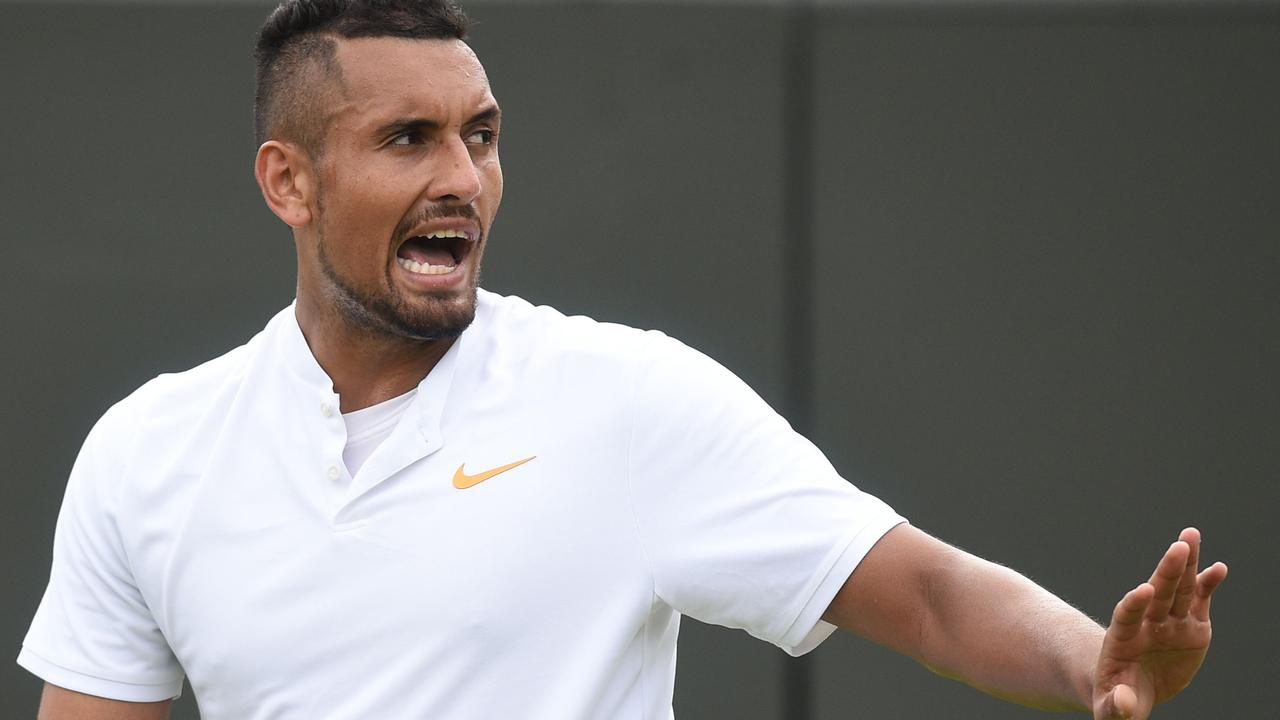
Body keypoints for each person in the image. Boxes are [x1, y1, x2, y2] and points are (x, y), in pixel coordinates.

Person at [18, 1, 1228, 719]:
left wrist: (1090, 662)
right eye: (406, 138)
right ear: (289, 181)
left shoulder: (624, 398)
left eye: (479, 136)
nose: (460, 177)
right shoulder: (147, 451)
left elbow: (921, 589)